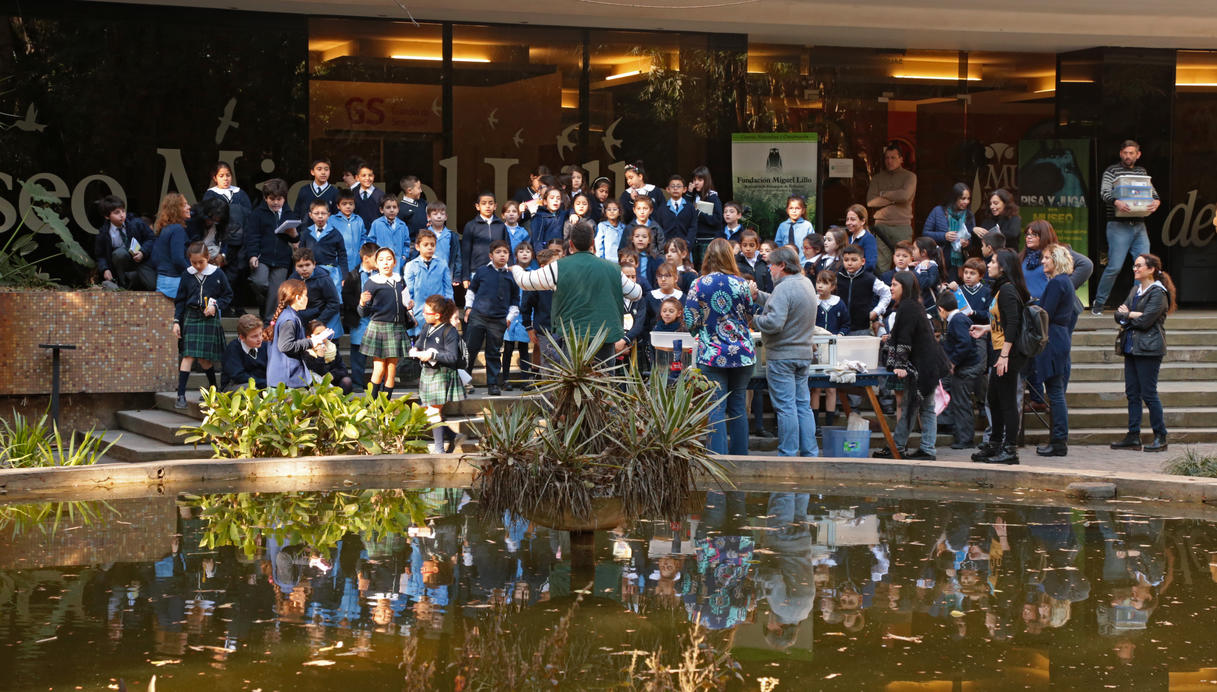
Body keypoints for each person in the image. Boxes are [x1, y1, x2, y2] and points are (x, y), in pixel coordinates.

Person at [511, 220, 643, 365]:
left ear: (571, 245)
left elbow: (524, 281)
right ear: (593, 243)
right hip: (605, 337)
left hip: (573, 337)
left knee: (574, 384)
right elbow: (636, 293)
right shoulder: (613, 269)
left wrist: (515, 268)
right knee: (604, 382)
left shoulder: (558, 267)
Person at [684, 238, 756, 455]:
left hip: (712, 354)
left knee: (715, 409)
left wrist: (702, 331)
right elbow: (750, 315)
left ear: (708, 257)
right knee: (738, 408)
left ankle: (719, 463)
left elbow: (690, 319)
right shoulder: (741, 284)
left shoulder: (698, 284)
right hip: (743, 354)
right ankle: (741, 461)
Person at [752, 246, 819, 457]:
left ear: (782, 265)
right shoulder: (805, 283)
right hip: (803, 354)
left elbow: (773, 323)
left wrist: (751, 319)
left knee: (786, 408)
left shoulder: (783, 288)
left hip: (782, 356)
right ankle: (810, 453)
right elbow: (782, 303)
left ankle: (787, 455)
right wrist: (757, 296)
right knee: (803, 406)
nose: (770, 270)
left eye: (772, 265)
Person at [873, 271, 948, 460]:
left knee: (916, 407)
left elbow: (905, 338)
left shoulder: (908, 307)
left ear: (905, 287)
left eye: (895, 284)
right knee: (919, 407)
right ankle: (912, 448)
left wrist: (900, 364)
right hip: (927, 364)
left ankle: (911, 449)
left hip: (924, 367)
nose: (891, 288)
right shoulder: (912, 306)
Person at [1111, 254, 1176, 453]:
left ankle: (1160, 435)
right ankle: (1133, 436)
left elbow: (1146, 321)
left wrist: (1128, 314)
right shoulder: (1135, 290)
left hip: (1149, 349)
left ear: (1151, 269)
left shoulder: (1158, 293)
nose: (1134, 268)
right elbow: (1117, 314)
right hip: (1131, 347)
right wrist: (1130, 314)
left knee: (1149, 393)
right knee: (1132, 393)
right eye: (1134, 265)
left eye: (1139, 266)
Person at [969, 249, 1029, 465]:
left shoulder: (1008, 290)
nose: (990, 265)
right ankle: (995, 444)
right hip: (999, 350)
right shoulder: (1001, 289)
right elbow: (1001, 322)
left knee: (1007, 402)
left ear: (1003, 266)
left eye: (993, 262)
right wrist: (986, 329)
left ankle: (1010, 450)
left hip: (1007, 354)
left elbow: (1013, 325)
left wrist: (1004, 355)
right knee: (994, 399)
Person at [1094, 140, 1161, 315]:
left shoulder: (1141, 172)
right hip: (1118, 225)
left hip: (1139, 224)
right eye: (1125, 153)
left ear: (1138, 154)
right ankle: (1099, 303)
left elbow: (1153, 193)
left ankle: (1137, 304)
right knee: (1115, 266)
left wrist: (1156, 202)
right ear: (1120, 153)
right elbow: (1104, 192)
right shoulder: (1111, 171)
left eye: (1132, 153)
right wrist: (1116, 201)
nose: (1128, 156)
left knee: (1144, 266)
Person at [172, 242, 232, 408]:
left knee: (204, 359)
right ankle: (181, 396)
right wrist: (176, 321)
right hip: (191, 315)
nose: (197, 266)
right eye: (193, 262)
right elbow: (180, 300)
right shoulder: (187, 274)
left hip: (208, 317)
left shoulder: (217, 273)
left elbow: (228, 295)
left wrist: (215, 306)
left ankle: (214, 389)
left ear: (208, 258)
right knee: (188, 355)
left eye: (201, 262)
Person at [1034, 244, 1079, 457]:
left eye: (1046, 258)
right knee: (1056, 390)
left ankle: (1059, 440)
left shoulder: (1057, 283)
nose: (1043, 262)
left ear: (1056, 260)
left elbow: (1045, 313)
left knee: (1055, 391)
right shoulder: (1065, 282)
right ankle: (1058, 439)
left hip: (1053, 338)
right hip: (1060, 337)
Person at [412, 295, 467, 453]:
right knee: (429, 411)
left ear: (437, 315)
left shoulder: (450, 331)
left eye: (426, 313)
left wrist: (433, 355)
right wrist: (416, 350)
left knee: (433, 412)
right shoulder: (426, 327)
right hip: (428, 373)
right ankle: (453, 436)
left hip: (442, 375)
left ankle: (439, 449)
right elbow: (420, 343)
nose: (423, 315)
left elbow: (452, 357)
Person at [359, 247, 415, 399]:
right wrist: (362, 303)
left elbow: (405, 303)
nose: (385, 263)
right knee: (379, 368)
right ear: (376, 264)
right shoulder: (372, 283)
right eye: (381, 260)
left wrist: (409, 306)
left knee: (391, 369)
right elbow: (363, 313)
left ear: (395, 262)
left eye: (389, 259)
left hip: (397, 328)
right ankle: (372, 405)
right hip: (379, 328)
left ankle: (385, 406)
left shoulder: (399, 280)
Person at [465, 240, 519, 396]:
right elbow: (471, 291)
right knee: (470, 349)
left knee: (494, 352)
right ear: (491, 255)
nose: (502, 255)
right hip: (478, 316)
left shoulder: (511, 276)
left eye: (505, 252)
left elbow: (516, 300)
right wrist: (468, 308)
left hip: (499, 320)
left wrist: (509, 318)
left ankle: (493, 384)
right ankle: (464, 381)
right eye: (498, 252)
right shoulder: (482, 271)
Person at [937, 290, 985, 450]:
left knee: (961, 402)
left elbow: (964, 344)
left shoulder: (957, 320)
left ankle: (965, 439)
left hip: (966, 367)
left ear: (941, 309)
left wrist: (952, 362)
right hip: (967, 365)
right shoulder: (959, 319)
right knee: (960, 401)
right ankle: (962, 436)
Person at [245, 178, 294, 320]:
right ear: (265, 198)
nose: (276, 202)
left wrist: (294, 235)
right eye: (272, 199)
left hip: (282, 259)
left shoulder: (288, 215)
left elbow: (294, 239)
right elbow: (252, 236)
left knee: (276, 292)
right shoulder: (257, 214)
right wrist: (253, 255)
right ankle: (262, 302)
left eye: (279, 199)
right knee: (259, 282)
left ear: (284, 199)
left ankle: (269, 322)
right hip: (263, 256)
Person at [867, 143, 917, 273]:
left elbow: (905, 196)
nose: (889, 161)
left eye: (893, 157)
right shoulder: (877, 178)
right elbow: (871, 202)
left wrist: (883, 194)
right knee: (880, 266)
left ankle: (902, 292)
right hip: (881, 226)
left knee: (903, 264)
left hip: (902, 226)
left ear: (901, 159)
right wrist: (896, 197)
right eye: (887, 158)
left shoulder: (910, 177)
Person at [94, 194, 155, 290]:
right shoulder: (104, 233)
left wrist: (143, 252)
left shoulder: (136, 223)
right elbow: (100, 255)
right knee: (119, 253)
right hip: (121, 265)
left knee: (152, 286)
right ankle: (122, 286)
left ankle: (134, 281)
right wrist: (105, 269)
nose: (122, 215)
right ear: (107, 216)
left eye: (123, 211)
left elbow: (151, 239)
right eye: (117, 212)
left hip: (141, 260)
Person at [265, 279, 318, 389]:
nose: (307, 298)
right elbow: (285, 346)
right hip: (287, 381)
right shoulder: (289, 319)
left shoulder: (287, 315)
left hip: (282, 378)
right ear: (298, 298)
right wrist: (312, 342)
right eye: (305, 295)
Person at [341, 242, 379, 389]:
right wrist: (360, 301)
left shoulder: (380, 274)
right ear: (366, 258)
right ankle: (357, 382)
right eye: (376, 258)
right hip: (359, 318)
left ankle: (378, 384)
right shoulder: (353, 275)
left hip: (376, 318)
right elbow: (346, 296)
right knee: (358, 352)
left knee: (378, 353)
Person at [404, 229, 454, 339]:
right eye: (425, 245)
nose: (430, 247)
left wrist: (451, 311)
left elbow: (448, 290)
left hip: (438, 313)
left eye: (432, 245)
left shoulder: (442, 264)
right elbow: (408, 292)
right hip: (418, 313)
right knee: (418, 345)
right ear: (417, 247)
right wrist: (410, 312)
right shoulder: (411, 265)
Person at [300, 198, 348, 313]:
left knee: (332, 301)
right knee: (314, 299)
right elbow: (300, 255)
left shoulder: (335, 233)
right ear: (310, 215)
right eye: (316, 213)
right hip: (312, 273)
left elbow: (342, 255)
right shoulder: (306, 233)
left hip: (331, 273)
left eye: (323, 213)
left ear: (329, 215)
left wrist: (344, 276)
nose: (320, 216)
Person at [921, 183, 975, 281]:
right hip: (939, 260)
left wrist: (967, 243)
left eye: (968, 198)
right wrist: (944, 236)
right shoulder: (938, 211)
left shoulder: (969, 215)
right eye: (963, 198)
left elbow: (972, 241)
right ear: (954, 198)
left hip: (958, 263)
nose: (966, 202)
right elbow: (925, 233)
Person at [502, 242, 537, 389]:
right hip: (510, 315)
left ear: (532, 255)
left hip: (525, 317)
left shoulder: (534, 273)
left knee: (524, 349)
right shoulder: (508, 273)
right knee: (508, 349)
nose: (524, 254)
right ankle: (505, 379)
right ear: (515, 255)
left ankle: (525, 379)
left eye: (528, 251)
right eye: (521, 251)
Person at [835, 244, 891, 335]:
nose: (849, 263)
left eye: (854, 260)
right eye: (846, 260)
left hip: (861, 329)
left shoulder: (869, 278)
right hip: (840, 328)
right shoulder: (838, 277)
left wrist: (876, 311)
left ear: (863, 261)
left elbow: (886, 293)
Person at [287, 248, 341, 340]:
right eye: (300, 266)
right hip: (301, 320)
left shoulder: (324, 279)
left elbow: (334, 303)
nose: (304, 269)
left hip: (323, 320)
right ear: (295, 267)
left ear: (314, 264)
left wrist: (320, 320)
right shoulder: (292, 280)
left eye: (307, 265)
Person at [150, 192, 192, 299]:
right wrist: (193, 272)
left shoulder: (165, 229)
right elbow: (178, 258)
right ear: (175, 209)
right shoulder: (177, 229)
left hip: (163, 280)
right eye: (184, 205)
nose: (189, 207)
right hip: (175, 282)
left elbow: (155, 258)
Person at [303, 320, 354, 393]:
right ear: (308, 337)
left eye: (324, 334)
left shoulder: (331, 348)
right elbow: (315, 373)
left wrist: (332, 375)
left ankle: (339, 402)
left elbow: (343, 370)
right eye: (318, 334)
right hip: (314, 384)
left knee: (347, 381)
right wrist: (320, 357)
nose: (323, 337)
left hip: (332, 381)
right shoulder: (307, 352)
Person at [221, 313, 268, 390]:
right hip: (235, 385)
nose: (260, 339)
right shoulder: (233, 349)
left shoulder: (265, 346)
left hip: (262, 384)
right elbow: (238, 376)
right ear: (242, 337)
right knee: (250, 389)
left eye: (260, 334)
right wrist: (265, 384)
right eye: (254, 336)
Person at [687, 166, 724, 262]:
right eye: (694, 179)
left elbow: (717, 220)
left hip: (708, 240)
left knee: (707, 269)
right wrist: (689, 193)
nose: (696, 182)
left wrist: (699, 213)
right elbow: (685, 210)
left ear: (706, 180)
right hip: (695, 240)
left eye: (700, 179)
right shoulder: (694, 196)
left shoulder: (712, 197)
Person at [653, 175, 697, 249]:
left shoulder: (690, 207)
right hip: (666, 248)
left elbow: (693, 227)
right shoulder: (662, 208)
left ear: (684, 189)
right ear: (668, 189)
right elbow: (658, 228)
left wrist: (688, 243)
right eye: (672, 186)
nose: (675, 188)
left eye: (679, 186)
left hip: (685, 248)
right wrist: (663, 245)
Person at [369, 196, 410, 273]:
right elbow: (371, 243)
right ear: (381, 210)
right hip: (380, 264)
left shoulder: (402, 225)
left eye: (394, 207)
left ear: (398, 209)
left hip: (398, 263)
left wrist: (404, 257)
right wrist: (374, 259)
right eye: (388, 207)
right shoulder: (376, 224)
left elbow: (406, 243)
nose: (392, 210)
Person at [332, 188, 368, 274]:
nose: (348, 206)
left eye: (351, 204)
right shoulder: (331, 220)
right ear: (338, 206)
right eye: (344, 204)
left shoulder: (358, 220)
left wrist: (361, 251)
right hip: (338, 262)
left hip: (357, 261)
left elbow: (363, 237)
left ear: (354, 205)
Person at [618, 161, 664, 226]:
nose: (628, 181)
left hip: (654, 230)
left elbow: (663, 212)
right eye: (627, 179)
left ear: (640, 176)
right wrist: (631, 201)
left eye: (631, 178)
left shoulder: (655, 191)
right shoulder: (625, 195)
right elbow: (624, 217)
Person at [774, 195, 814, 262]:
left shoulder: (807, 225)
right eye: (791, 208)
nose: (794, 211)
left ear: (803, 210)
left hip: (803, 262)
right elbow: (777, 244)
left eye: (797, 208)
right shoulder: (782, 226)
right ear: (787, 210)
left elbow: (812, 244)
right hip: (785, 262)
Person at [528, 187, 566, 257]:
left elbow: (572, 210)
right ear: (545, 201)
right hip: (546, 255)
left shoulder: (563, 214)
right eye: (552, 198)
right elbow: (537, 240)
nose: (556, 200)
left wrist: (573, 214)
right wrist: (541, 257)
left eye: (558, 198)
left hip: (561, 254)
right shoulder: (539, 217)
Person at [844, 204, 878, 273]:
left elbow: (870, 264)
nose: (848, 222)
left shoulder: (868, 238)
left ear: (862, 221)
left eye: (853, 219)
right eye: (847, 219)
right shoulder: (849, 239)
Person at [735, 229, 772, 293]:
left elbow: (767, 285)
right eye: (744, 245)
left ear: (757, 246)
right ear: (740, 246)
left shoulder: (762, 263)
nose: (748, 249)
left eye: (751, 245)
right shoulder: (736, 263)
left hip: (761, 299)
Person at [352, 162, 384, 229]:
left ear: (374, 176)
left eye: (370, 175)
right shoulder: (353, 194)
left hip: (375, 234)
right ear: (357, 178)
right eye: (364, 175)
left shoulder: (380, 195)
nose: (367, 178)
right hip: (357, 232)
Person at [399, 174, 429, 239]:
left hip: (426, 242)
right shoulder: (400, 209)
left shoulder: (423, 203)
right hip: (411, 245)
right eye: (418, 188)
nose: (421, 191)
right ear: (409, 190)